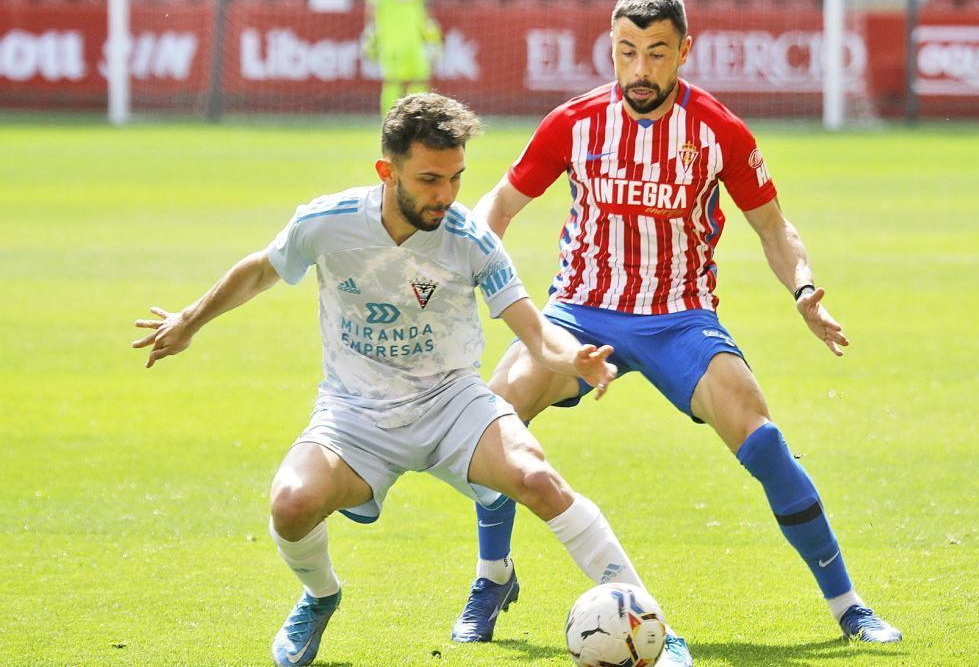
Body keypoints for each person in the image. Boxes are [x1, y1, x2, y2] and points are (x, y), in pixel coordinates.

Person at [132, 93, 687, 667]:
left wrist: (575, 360)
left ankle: (656, 629)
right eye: (428, 179)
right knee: (291, 505)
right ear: (386, 170)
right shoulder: (327, 222)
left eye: (455, 178)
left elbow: (533, 327)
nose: (445, 195)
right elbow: (261, 269)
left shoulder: (471, 239)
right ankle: (320, 597)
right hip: (355, 414)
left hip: (452, 403)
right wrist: (189, 321)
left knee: (538, 478)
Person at [451, 0, 902, 652]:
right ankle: (493, 577)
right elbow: (499, 205)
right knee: (494, 420)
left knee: (763, 439)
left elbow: (775, 229)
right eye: (626, 52)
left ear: (684, 51)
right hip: (580, 309)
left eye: (656, 53)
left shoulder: (718, 130)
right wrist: (466, 260)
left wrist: (806, 292)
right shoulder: (573, 123)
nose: (639, 70)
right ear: (611, 47)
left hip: (678, 315)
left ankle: (849, 606)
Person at [363, 0, 442, 119]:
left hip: (415, 39)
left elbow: (423, 7)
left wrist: (431, 32)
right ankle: (389, 121)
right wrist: (370, 34)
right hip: (390, 39)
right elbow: (372, 8)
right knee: (393, 80)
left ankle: (419, 119)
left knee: (419, 78)